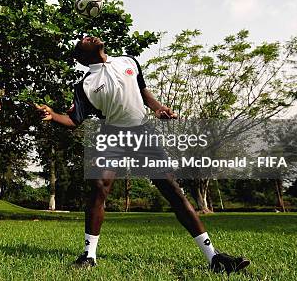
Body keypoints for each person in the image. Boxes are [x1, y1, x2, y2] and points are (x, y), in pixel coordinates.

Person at [35, 36, 250, 274]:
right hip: (112, 135)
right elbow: (74, 120)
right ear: (83, 56)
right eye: (83, 40)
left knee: (171, 188)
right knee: (99, 186)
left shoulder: (128, 61)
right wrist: (53, 115)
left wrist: (158, 108)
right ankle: (89, 255)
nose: (89, 36)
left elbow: (142, 91)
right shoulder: (85, 84)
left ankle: (214, 257)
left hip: (142, 132)